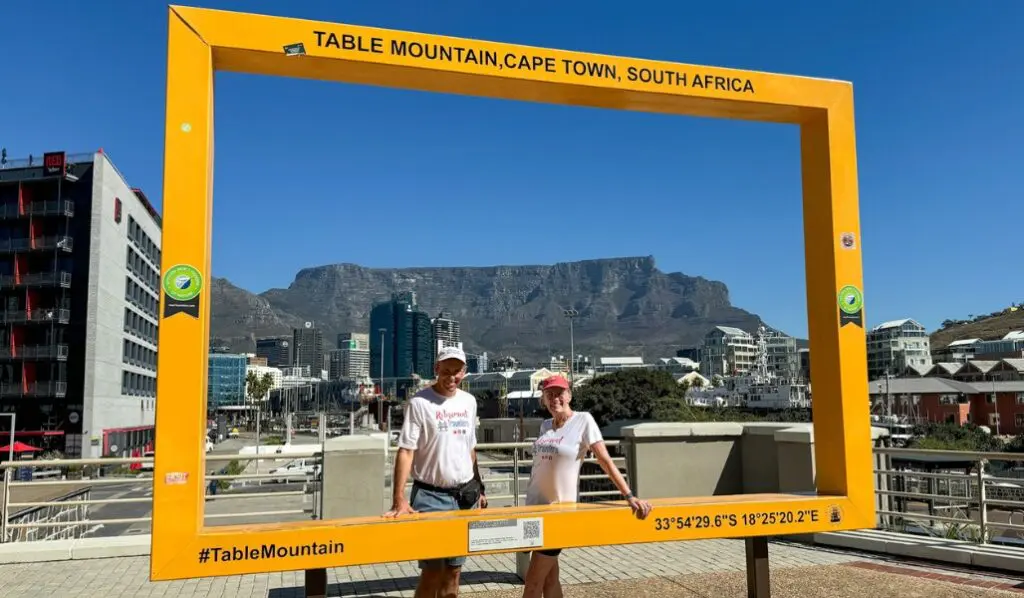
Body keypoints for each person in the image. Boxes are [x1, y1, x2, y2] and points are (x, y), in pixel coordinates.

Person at [521, 374, 652, 598]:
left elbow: (605, 460)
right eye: (549, 395)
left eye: (559, 393)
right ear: (543, 399)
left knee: (532, 584)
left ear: (569, 395)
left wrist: (629, 496)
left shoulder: (583, 420)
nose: (555, 399)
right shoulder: (545, 426)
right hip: (534, 509)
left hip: (557, 515)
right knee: (549, 579)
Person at [384, 346, 487, 598]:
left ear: (464, 372)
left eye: (458, 371)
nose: (452, 377)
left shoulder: (469, 402)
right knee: (432, 572)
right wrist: (399, 499)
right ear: (436, 369)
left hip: (465, 497)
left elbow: (469, 449)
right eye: (446, 371)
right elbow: (406, 451)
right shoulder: (420, 402)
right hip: (430, 497)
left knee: (454, 571)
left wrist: (479, 487)